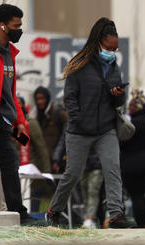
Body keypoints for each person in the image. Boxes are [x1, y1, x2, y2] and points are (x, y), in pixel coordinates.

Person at [45, 17, 133, 228]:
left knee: (112, 168)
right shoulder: (79, 64)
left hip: (105, 128)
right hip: (79, 130)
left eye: (116, 50)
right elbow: (70, 97)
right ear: (100, 41)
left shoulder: (113, 68)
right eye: (110, 48)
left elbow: (119, 101)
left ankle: (116, 215)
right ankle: (54, 211)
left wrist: (118, 95)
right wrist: (77, 119)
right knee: (72, 174)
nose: (113, 52)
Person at [0, 3, 35, 224]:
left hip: (3, 123)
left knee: (7, 164)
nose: (20, 30)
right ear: (3, 26)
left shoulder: (9, 54)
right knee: (5, 163)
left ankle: (18, 213)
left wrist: (20, 121)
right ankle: (18, 213)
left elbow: (11, 94)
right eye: (17, 26)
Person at [120, 91, 145, 228]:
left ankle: (141, 223)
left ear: (140, 107)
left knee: (136, 196)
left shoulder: (134, 123)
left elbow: (122, 141)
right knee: (140, 195)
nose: (130, 107)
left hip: (133, 166)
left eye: (133, 106)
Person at [30, 86, 67, 173]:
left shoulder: (59, 115)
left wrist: (58, 159)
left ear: (47, 98)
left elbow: (65, 139)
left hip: (58, 164)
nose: (39, 101)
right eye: (37, 99)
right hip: (42, 164)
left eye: (42, 98)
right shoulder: (35, 117)